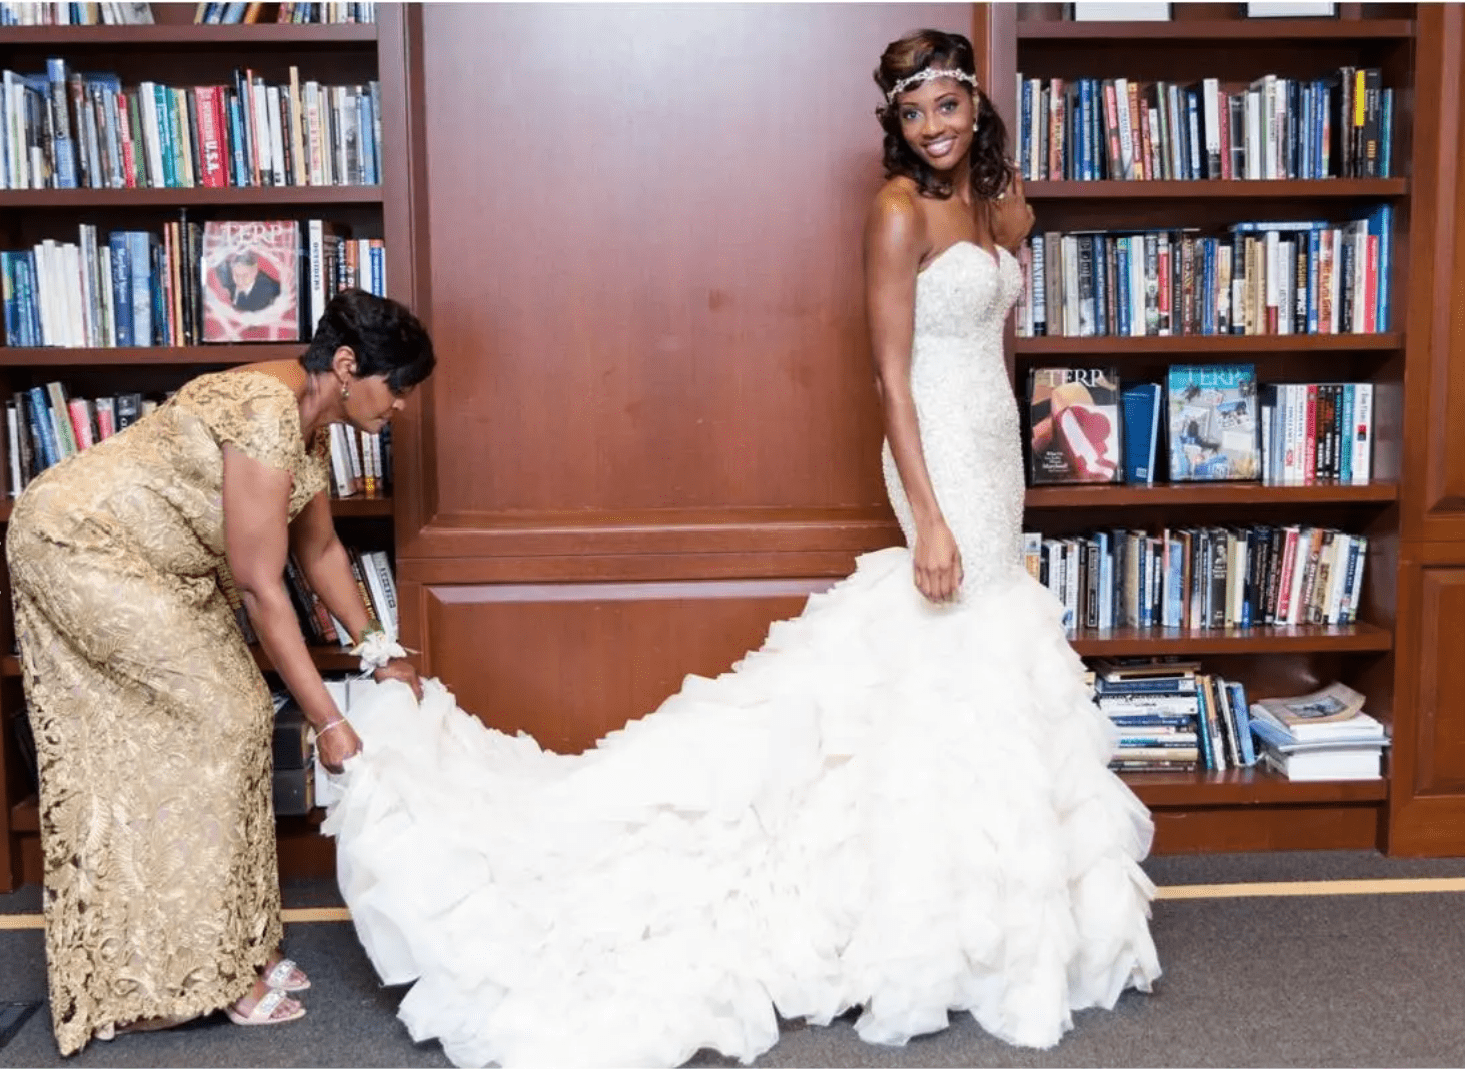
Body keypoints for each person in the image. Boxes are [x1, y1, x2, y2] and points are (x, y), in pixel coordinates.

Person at [323, 29, 1160, 1070]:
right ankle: (918, 911)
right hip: (936, 453)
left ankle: (974, 907)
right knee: (944, 649)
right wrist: (930, 517)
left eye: (946, 107)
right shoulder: (895, 213)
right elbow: (891, 380)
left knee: (982, 662)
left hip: (996, 451)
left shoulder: (1000, 204)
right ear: (893, 125)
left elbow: (1000, 305)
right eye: (912, 114)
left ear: (974, 105)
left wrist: (998, 471)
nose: (933, 129)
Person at [6, 288, 434, 1054]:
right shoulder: (266, 413)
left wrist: (379, 649)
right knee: (226, 716)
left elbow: (321, 552)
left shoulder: (308, 423)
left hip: (163, 568)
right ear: (347, 367)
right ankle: (194, 974)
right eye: (396, 386)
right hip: (83, 546)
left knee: (231, 715)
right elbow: (264, 588)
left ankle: (239, 947)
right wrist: (330, 723)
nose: (401, 405)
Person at [218, 250, 283, 312]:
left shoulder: (268, 290)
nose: (240, 281)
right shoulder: (228, 284)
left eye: (245, 275)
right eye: (236, 275)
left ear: (255, 270)